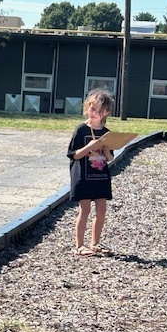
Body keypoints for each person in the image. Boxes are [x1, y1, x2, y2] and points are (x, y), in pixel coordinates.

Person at [66, 89, 115, 257]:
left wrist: (107, 151)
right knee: (85, 209)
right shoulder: (81, 129)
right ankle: (79, 245)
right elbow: (74, 154)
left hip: (100, 177)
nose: (94, 113)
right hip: (83, 176)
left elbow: (109, 158)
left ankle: (95, 243)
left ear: (106, 113)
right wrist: (89, 147)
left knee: (101, 209)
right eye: (92, 109)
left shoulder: (107, 133)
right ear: (87, 108)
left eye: (99, 111)